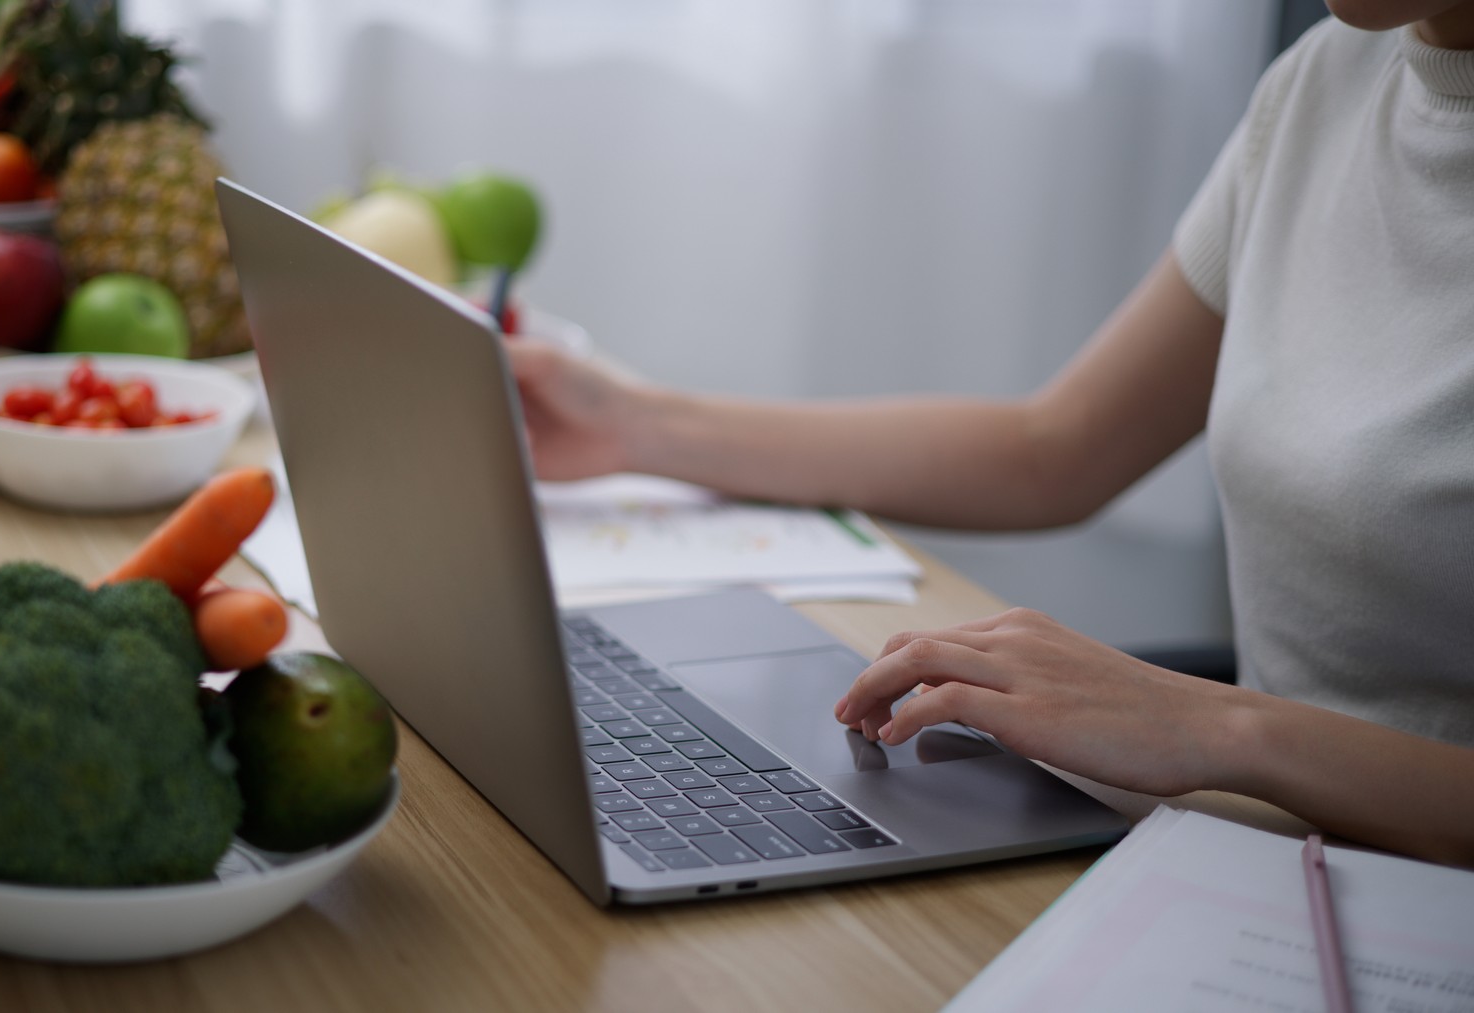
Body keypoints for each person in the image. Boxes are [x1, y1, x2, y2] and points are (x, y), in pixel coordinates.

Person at [506, 2, 1474, 867]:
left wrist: (1223, 724)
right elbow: (1055, 446)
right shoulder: (1329, 79)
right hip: (1275, 859)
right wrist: (633, 424)